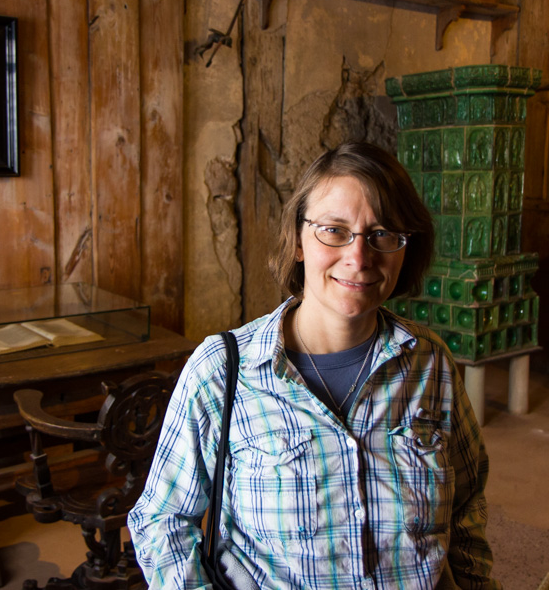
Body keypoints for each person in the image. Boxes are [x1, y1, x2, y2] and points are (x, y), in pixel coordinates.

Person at [129, 142, 501, 590]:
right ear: (299, 238)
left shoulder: (430, 363)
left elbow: (466, 505)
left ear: (407, 248)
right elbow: (162, 519)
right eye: (334, 230)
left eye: (382, 233)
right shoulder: (223, 370)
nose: (359, 258)